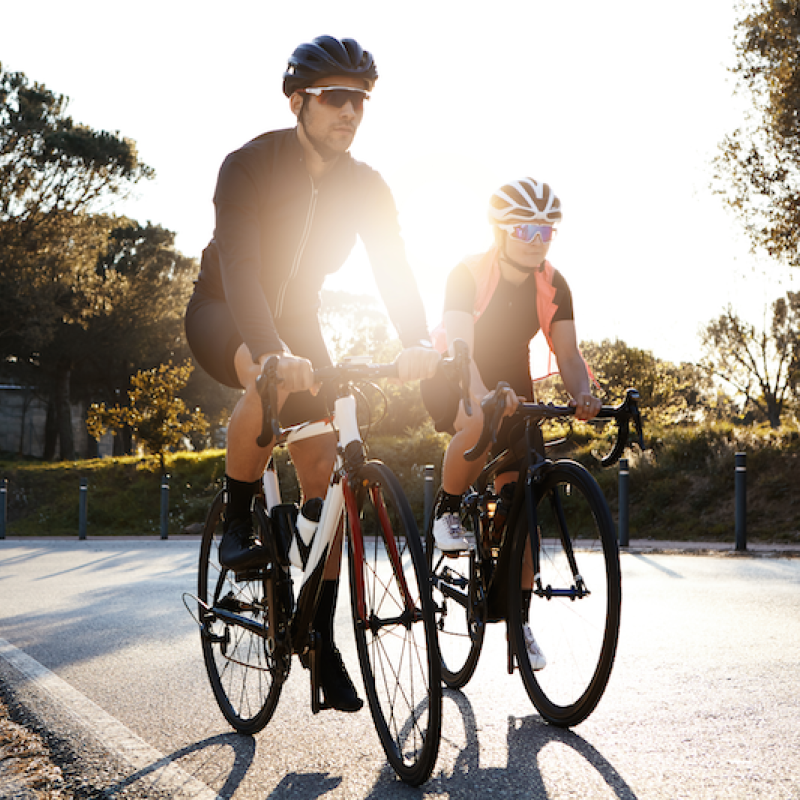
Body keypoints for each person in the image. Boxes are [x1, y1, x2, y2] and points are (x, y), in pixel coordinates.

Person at [185, 35, 439, 712]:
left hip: (298, 317)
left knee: (326, 476)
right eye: (334, 97)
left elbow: (394, 267)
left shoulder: (366, 185)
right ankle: (240, 517)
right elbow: (240, 269)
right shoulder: (248, 165)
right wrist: (266, 351)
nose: (350, 111)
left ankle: (319, 637)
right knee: (270, 381)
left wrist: (415, 337)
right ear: (298, 100)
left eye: (360, 99)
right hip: (227, 309)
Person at [420, 177, 601, 670]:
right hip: (456, 369)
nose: (537, 240)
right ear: (500, 231)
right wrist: (480, 396)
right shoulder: (466, 273)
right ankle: (448, 508)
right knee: (477, 421)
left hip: (514, 376)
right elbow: (460, 348)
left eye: (546, 231)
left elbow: (566, 351)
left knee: (521, 505)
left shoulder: (553, 282)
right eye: (524, 230)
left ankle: (518, 624)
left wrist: (582, 392)